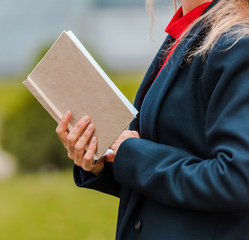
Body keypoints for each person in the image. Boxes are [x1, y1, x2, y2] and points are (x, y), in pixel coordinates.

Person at [55, 0, 249, 239]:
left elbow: (237, 180)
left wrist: (133, 155)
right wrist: (104, 163)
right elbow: (172, 158)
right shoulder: (186, 31)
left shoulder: (237, 44)